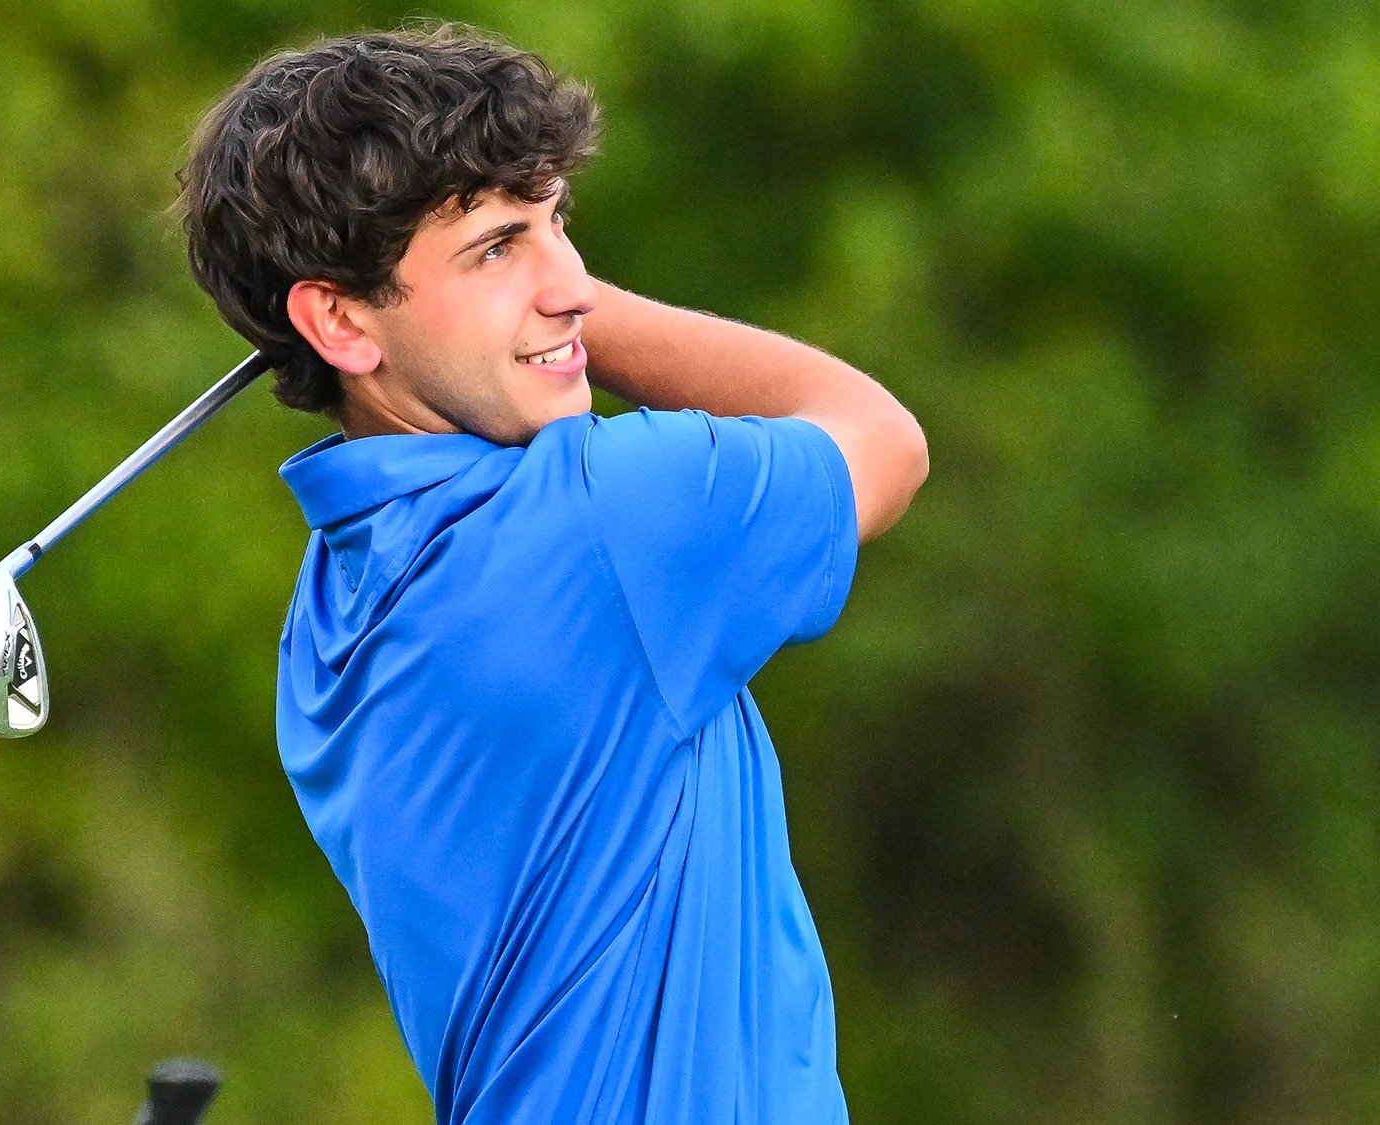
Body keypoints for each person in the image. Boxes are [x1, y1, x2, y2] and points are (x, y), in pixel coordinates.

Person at [177, 23, 926, 1124]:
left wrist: (514, 303)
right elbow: (880, 439)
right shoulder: (602, 521)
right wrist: (587, 321)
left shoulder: (327, 614)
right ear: (338, 318)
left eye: (559, 224)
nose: (568, 283)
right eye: (495, 247)